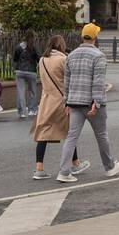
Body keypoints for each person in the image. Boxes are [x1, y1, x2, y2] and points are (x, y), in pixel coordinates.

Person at [58, 23, 119, 183]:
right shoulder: (99, 56)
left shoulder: (71, 55)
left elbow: (66, 81)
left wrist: (66, 101)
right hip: (91, 102)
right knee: (101, 135)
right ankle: (109, 167)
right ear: (95, 37)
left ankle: (64, 171)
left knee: (71, 137)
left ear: (82, 36)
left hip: (74, 102)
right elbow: (98, 82)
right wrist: (97, 101)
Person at [31, 35, 90, 180]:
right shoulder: (64, 59)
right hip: (61, 100)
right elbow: (70, 78)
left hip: (46, 100)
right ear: (61, 45)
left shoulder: (42, 60)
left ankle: (39, 168)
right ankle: (75, 163)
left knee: (43, 133)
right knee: (70, 132)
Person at [12, 31, 40, 120]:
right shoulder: (34, 47)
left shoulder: (19, 47)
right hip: (32, 72)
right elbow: (39, 58)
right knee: (33, 91)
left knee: (21, 92)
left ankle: (22, 112)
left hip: (20, 71)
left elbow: (15, 59)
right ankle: (32, 110)